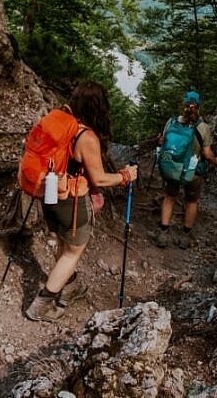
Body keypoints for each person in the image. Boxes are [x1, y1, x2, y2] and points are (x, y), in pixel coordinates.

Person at [25, 82, 138, 322]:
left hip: (50, 194)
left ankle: (70, 287)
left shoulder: (60, 119)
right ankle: (40, 306)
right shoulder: (85, 136)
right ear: (99, 107)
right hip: (73, 202)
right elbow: (98, 177)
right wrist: (125, 176)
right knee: (71, 253)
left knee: (63, 244)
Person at [154, 91, 217, 249]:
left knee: (170, 197)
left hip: (172, 168)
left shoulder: (171, 122)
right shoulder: (203, 128)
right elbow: (207, 153)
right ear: (199, 107)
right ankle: (185, 236)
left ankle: (163, 234)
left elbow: (162, 142)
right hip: (192, 172)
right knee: (191, 200)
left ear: (183, 105)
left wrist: (159, 140)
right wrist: (216, 161)